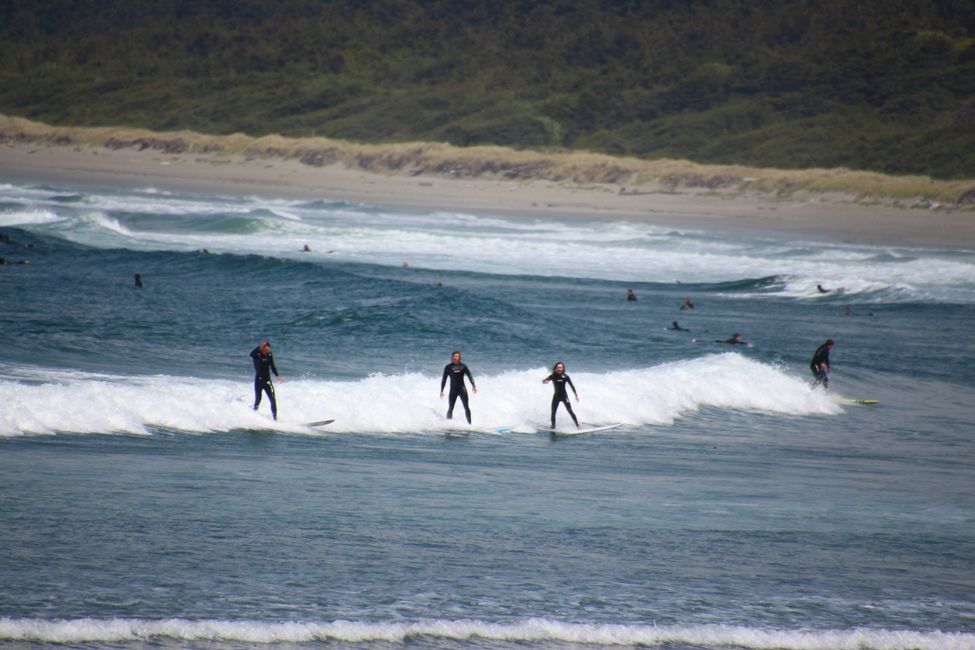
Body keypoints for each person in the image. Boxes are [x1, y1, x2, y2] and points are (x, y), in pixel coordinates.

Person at [440, 351, 477, 423]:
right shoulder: (448, 367)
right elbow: (444, 379)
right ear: (452, 357)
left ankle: (470, 424)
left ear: (459, 358)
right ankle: (449, 423)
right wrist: (442, 390)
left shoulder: (463, 366)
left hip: (462, 389)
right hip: (453, 390)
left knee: (466, 407)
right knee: (451, 408)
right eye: (454, 356)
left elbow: (470, 376)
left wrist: (473, 385)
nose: (455, 357)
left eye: (457, 356)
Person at [250, 340, 283, 419]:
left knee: (273, 399)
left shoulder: (269, 355)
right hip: (259, 381)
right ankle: (253, 414)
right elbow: (251, 354)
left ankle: (275, 418)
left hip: (267, 381)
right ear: (263, 348)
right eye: (267, 348)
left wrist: (277, 375)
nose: (268, 350)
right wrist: (259, 347)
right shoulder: (257, 355)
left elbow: (272, 366)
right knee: (258, 399)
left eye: (269, 349)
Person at [543, 361, 580, 430]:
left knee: (570, 411)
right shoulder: (553, 376)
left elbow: (572, 386)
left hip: (564, 396)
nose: (559, 369)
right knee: (553, 412)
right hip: (556, 397)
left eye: (560, 367)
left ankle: (578, 426)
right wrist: (546, 381)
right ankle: (553, 427)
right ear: (556, 368)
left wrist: (576, 395)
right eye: (558, 367)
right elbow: (544, 380)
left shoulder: (565, 376)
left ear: (563, 368)